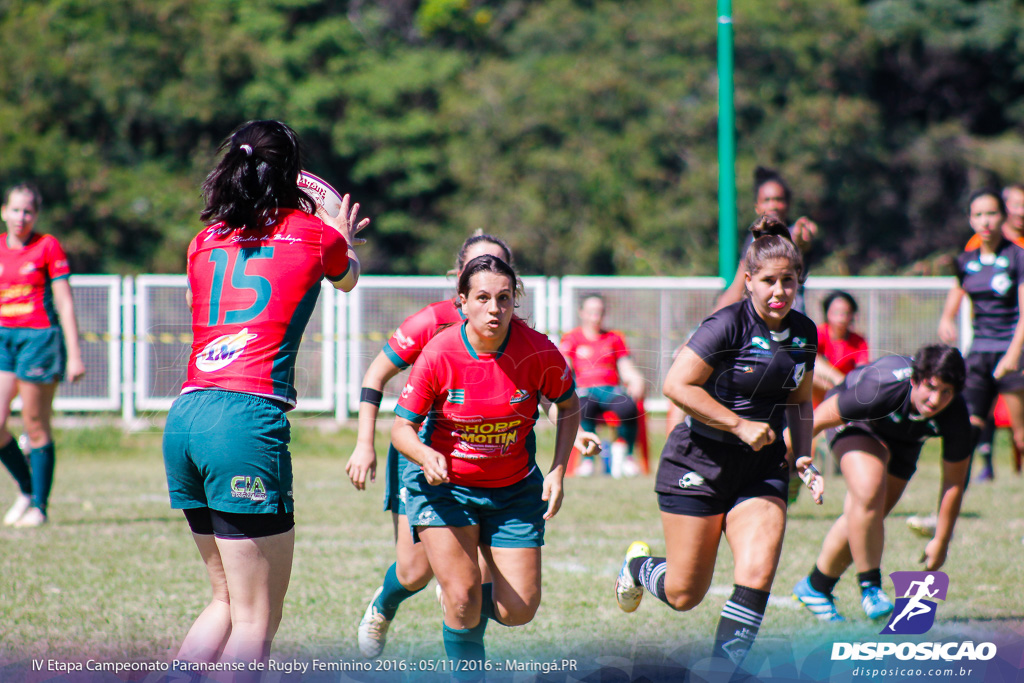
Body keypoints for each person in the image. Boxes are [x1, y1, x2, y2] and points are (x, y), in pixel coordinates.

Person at [161, 120, 367, 672]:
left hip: (186, 416)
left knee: (225, 602)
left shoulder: (202, 240)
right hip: (244, 420)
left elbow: (197, 307)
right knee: (256, 621)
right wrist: (339, 232)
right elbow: (348, 280)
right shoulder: (315, 235)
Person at [613, 216, 823, 669]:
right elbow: (676, 385)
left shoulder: (805, 332)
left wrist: (803, 454)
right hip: (699, 463)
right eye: (768, 281)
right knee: (685, 593)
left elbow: (800, 401)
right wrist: (738, 425)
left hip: (762, 467)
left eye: (789, 281)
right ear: (748, 281)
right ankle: (638, 568)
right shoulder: (726, 324)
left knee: (757, 572)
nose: (779, 291)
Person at [390, 254, 579, 681]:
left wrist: (558, 470)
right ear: (463, 302)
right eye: (483, 298)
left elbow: (568, 404)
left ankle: (464, 600)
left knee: (519, 611)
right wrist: (425, 455)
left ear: (515, 301)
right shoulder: (439, 352)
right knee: (462, 598)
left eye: (504, 298)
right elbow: (401, 428)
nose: (495, 308)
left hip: (513, 491)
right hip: (446, 491)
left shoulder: (538, 350)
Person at [347, 233, 517, 658]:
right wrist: (364, 442)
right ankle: (383, 605)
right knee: (414, 571)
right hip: (420, 452)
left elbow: (550, 394)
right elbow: (375, 375)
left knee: (473, 586)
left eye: (496, 267)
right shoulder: (432, 322)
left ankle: (465, 645)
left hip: (490, 464)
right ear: (458, 279)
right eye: (477, 267)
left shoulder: (517, 333)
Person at [792, 345, 970, 622]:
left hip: (905, 442)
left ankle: (816, 587)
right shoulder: (881, 386)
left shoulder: (956, 414)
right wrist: (794, 461)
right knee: (869, 489)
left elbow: (954, 482)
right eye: (931, 387)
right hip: (859, 424)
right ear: (915, 379)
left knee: (868, 516)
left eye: (946, 392)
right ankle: (871, 587)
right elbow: (814, 422)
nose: (936, 400)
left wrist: (942, 540)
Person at [0, 183, 86, 528]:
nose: (21, 217)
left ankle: (39, 506)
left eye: (28, 211)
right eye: (16, 210)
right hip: (3, 338)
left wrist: (75, 354)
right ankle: (27, 487)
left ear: (35, 215)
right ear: (4, 211)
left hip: (39, 339)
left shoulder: (47, 246)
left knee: (35, 424)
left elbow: (64, 302)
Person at [937, 189, 1024, 483]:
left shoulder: (1017, 257)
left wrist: (1013, 354)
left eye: (991, 214)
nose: (985, 221)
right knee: (969, 424)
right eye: (978, 215)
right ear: (970, 219)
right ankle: (957, 494)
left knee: (1020, 434)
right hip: (979, 352)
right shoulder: (966, 260)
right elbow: (959, 287)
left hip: (1012, 350)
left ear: (1003, 217)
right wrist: (947, 317)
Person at [559, 293, 646, 477]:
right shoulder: (571, 338)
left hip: (610, 390)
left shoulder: (614, 338)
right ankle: (587, 459)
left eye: (599, 312)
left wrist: (636, 379)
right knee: (583, 406)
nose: (595, 317)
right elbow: (564, 367)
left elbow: (626, 367)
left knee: (628, 406)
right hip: (584, 391)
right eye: (591, 312)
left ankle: (626, 456)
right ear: (581, 313)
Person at [714, 166, 819, 313]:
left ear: (788, 204)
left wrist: (804, 235)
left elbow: (802, 242)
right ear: (757, 207)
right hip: (759, 325)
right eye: (767, 200)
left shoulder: (793, 234)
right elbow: (736, 289)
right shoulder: (754, 239)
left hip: (789, 325)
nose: (773, 205)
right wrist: (707, 325)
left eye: (778, 199)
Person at [812, 290, 870, 406]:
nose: (841, 318)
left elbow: (862, 369)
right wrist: (838, 380)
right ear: (827, 313)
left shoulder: (858, 341)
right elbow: (812, 361)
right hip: (822, 393)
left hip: (846, 393)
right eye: (836, 312)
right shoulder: (818, 333)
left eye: (846, 313)